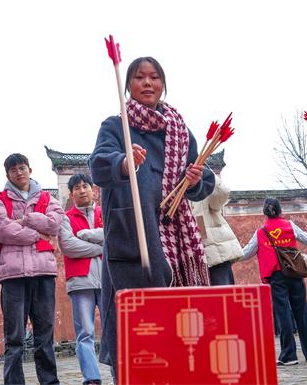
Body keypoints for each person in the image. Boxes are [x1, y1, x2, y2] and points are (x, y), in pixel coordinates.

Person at [89, 56, 215, 378]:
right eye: (140, 77)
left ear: (163, 84)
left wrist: (197, 178)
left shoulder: (180, 131)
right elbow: (98, 165)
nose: (148, 83)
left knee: (177, 331)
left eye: (154, 77)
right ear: (128, 85)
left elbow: (200, 184)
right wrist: (122, 162)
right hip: (133, 237)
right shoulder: (116, 126)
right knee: (135, 330)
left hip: (176, 241)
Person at [0, 153, 64, 385]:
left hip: (43, 272)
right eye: (14, 170)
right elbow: (2, 230)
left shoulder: (47, 197)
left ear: (29, 170)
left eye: (22, 168)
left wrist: (25, 219)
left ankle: (50, 381)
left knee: (45, 334)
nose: (19, 173)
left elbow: (54, 224)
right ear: (8, 175)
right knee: (14, 338)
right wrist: (37, 234)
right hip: (13, 276)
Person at [241, 198, 307, 366]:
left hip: (276, 277)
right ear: (280, 210)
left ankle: (289, 355)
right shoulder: (290, 226)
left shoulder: (261, 232)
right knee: (302, 313)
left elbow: (245, 253)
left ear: (265, 213)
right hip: (294, 272)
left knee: (282, 314)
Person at [57, 173, 104, 385]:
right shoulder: (66, 217)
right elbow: (68, 246)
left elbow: (113, 235)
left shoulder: (106, 211)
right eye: (77, 188)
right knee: (85, 332)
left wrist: (85, 234)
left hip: (107, 279)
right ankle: (92, 378)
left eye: (85, 186)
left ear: (93, 190)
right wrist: (100, 247)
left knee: (114, 329)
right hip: (80, 281)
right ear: (71, 193)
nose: (82, 190)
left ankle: (118, 373)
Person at [191, 175, 243, 285]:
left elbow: (222, 194)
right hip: (186, 257)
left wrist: (206, 173)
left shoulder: (203, 179)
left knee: (223, 297)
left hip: (215, 254)